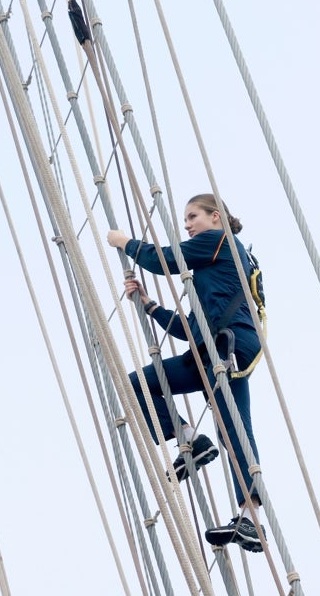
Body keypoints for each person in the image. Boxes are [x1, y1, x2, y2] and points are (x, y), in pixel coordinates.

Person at [107, 193, 265, 553]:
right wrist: (150, 306)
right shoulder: (210, 274)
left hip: (230, 347)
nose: (187, 224)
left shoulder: (221, 241)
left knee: (235, 427)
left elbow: (162, 260)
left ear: (215, 217)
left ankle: (251, 517)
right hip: (209, 348)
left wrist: (124, 242)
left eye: (193, 216)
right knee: (139, 385)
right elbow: (190, 330)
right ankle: (191, 441)